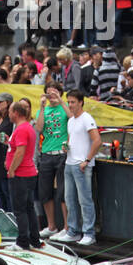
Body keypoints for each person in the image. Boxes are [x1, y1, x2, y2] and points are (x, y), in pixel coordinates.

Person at [55, 90, 101, 246]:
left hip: (81, 165)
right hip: (69, 163)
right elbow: (70, 139)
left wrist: (87, 160)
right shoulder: (71, 121)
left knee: (85, 200)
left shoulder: (87, 118)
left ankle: (89, 233)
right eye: (69, 102)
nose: (70, 105)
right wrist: (66, 147)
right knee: (70, 199)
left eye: (73, 102)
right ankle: (73, 231)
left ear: (81, 102)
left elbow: (97, 141)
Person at [5, 99, 42, 249]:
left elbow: (20, 152)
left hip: (21, 174)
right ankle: (34, 239)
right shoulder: (27, 128)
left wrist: (11, 169)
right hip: (28, 173)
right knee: (29, 208)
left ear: (16, 113)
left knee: (20, 209)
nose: (8, 114)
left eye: (10, 111)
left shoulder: (21, 129)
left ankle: (23, 241)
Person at [34, 84, 68, 238]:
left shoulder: (65, 107)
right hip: (47, 153)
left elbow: (72, 118)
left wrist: (60, 101)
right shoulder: (44, 110)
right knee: (45, 192)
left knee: (62, 192)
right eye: (48, 94)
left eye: (54, 93)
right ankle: (51, 226)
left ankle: (67, 227)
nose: (51, 96)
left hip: (62, 153)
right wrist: (42, 107)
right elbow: (39, 128)